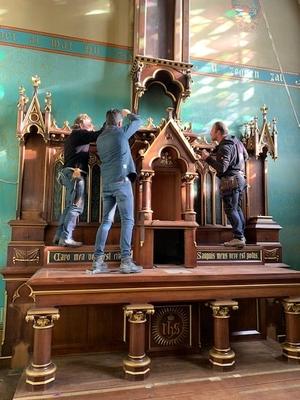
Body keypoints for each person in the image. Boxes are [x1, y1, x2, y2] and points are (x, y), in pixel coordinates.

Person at [90, 108, 143, 274]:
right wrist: (128, 114)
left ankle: (97, 262)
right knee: (128, 220)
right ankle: (126, 261)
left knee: (106, 221)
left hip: (107, 185)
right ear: (120, 123)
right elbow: (138, 122)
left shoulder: (100, 138)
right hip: (122, 182)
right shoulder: (120, 133)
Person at [53, 114, 104, 247]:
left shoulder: (73, 136)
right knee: (76, 206)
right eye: (89, 123)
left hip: (67, 174)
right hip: (75, 174)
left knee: (70, 206)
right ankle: (66, 237)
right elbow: (97, 135)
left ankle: (59, 236)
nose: (91, 125)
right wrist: (108, 123)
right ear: (81, 125)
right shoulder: (80, 133)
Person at [201, 121, 248, 248]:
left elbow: (222, 168)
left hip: (230, 180)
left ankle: (239, 237)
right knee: (236, 209)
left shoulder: (225, 146)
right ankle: (241, 236)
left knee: (230, 209)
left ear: (218, 132)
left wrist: (208, 158)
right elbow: (246, 156)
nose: (210, 132)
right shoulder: (236, 142)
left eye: (212, 130)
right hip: (240, 178)